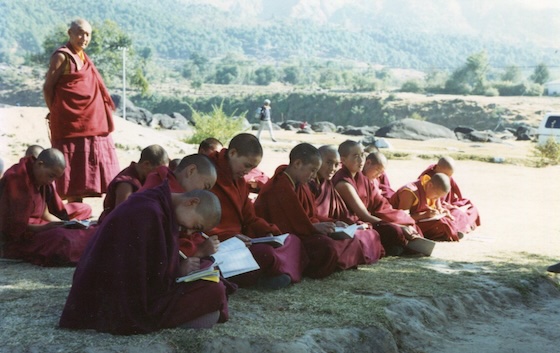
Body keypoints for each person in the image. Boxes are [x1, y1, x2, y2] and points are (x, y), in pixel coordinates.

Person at [59, 184, 233, 334]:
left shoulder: (158, 203)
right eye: (195, 226)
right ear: (192, 202)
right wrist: (179, 271)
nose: (189, 232)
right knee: (214, 290)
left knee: (212, 281)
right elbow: (146, 281)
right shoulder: (149, 212)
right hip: (116, 301)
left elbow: (150, 264)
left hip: (118, 291)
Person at [255, 143, 373, 279]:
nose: (313, 176)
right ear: (297, 163)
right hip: (284, 234)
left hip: (303, 231)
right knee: (324, 246)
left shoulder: (301, 185)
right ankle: (292, 270)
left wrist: (333, 223)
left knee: (345, 240)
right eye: (312, 170)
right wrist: (313, 227)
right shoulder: (279, 186)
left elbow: (310, 215)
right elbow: (283, 225)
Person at [208, 133, 306, 289]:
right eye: (246, 165)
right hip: (220, 244)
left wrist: (269, 231)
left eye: (252, 168)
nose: (248, 172)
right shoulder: (209, 174)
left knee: (291, 240)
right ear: (232, 153)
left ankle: (267, 273)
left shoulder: (239, 181)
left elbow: (249, 217)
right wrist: (231, 237)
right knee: (265, 253)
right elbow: (201, 223)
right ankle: (259, 278)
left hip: (242, 242)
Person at [43, 18, 120, 203]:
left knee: (89, 169)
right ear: (70, 33)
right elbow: (48, 87)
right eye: (79, 33)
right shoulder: (62, 56)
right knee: (72, 172)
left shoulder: (84, 57)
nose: (83, 38)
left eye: (88, 34)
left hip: (92, 122)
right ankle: (71, 211)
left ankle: (81, 211)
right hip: (69, 122)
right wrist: (54, 111)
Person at [0, 148, 94, 265]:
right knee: (61, 239)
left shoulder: (40, 179)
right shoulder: (17, 179)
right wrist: (45, 228)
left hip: (39, 225)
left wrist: (64, 224)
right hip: (19, 237)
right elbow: (12, 226)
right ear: (40, 164)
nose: (51, 181)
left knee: (75, 224)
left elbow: (45, 213)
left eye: (55, 178)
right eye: (51, 176)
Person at [333, 141, 421, 256]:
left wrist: (400, 219)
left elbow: (380, 203)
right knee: (394, 230)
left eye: (362, 155)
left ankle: (397, 245)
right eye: (355, 156)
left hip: (370, 218)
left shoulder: (362, 178)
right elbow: (364, 215)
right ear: (343, 160)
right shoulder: (343, 182)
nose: (361, 160)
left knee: (407, 222)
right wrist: (397, 226)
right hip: (354, 222)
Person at [308, 145, 385, 263]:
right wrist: (331, 222)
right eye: (328, 163)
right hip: (314, 229)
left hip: (330, 226)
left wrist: (344, 223)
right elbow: (306, 215)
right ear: (317, 161)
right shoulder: (308, 184)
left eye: (336, 164)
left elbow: (340, 213)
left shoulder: (327, 183)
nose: (332, 168)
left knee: (368, 234)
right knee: (329, 246)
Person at [140, 154, 219, 259]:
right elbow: (162, 248)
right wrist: (199, 251)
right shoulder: (161, 194)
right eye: (205, 186)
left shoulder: (177, 198)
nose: (203, 193)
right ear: (191, 171)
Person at [98, 145, 169, 222]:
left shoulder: (143, 177)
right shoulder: (126, 184)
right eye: (158, 172)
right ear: (146, 164)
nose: (160, 176)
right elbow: (121, 216)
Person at [390, 173, 462, 242]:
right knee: (441, 224)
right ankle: (448, 232)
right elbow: (402, 218)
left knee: (449, 218)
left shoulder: (431, 189)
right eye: (436, 196)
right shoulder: (409, 192)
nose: (436, 199)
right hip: (400, 223)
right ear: (430, 185)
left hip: (420, 220)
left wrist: (441, 210)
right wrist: (425, 215)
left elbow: (436, 205)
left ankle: (449, 232)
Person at [418, 157, 481, 233]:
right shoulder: (427, 178)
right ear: (438, 167)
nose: (447, 178)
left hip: (447, 203)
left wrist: (451, 205)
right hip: (434, 206)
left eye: (449, 176)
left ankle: (460, 225)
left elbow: (454, 192)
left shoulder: (445, 175)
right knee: (454, 215)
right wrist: (440, 207)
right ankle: (459, 227)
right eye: (446, 175)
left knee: (470, 206)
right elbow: (426, 199)